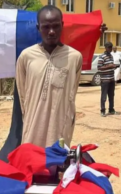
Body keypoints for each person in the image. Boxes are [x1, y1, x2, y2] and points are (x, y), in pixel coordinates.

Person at [16, 5, 98, 148]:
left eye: (56, 26)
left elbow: (72, 92)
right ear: (38, 28)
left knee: (57, 165)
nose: (51, 32)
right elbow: (23, 95)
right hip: (33, 125)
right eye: (46, 27)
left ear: (62, 25)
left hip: (59, 126)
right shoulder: (26, 56)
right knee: (31, 163)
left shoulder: (74, 57)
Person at [98, 42, 118, 117]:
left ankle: (111, 109)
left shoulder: (111, 56)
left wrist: (114, 66)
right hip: (105, 80)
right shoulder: (102, 56)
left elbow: (110, 65)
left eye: (111, 47)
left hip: (111, 79)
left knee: (111, 95)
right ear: (105, 48)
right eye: (109, 47)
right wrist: (109, 66)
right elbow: (99, 68)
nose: (110, 49)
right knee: (104, 96)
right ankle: (103, 110)